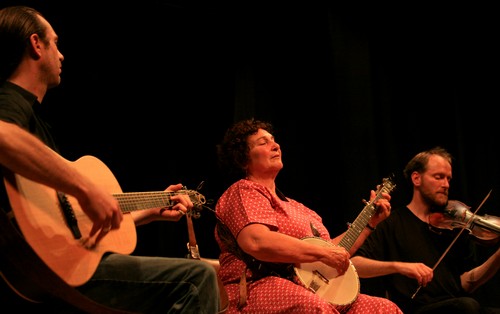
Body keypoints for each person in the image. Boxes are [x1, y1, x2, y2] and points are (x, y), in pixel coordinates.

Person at [0, 5, 221, 313]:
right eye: (56, 42)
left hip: (53, 263)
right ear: (36, 44)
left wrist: (148, 211)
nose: (62, 55)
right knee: (196, 279)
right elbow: (2, 137)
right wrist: (85, 188)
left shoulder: (36, 122)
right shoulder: (9, 99)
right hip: (35, 266)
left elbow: (72, 218)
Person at [212, 118, 403, 313]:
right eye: (263, 143)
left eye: (273, 140)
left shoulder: (300, 209)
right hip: (256, 285)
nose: (275, 145)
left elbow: (333, 253)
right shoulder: (244, 190)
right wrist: (323, 253)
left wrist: (369, 223)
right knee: (314, 308)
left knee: (384, 308)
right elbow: (256, 241)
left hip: (309, 288)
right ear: (242, 158)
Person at [351, 146, 500, 314]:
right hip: (415, 309)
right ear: (416, 178)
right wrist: (399, 266)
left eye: (448, 179)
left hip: (456, 306)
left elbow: (466, 284)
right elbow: (355, 264)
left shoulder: (456, 227)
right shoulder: (391, 222)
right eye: (439, 177)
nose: (445, 185)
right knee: (467, 306)